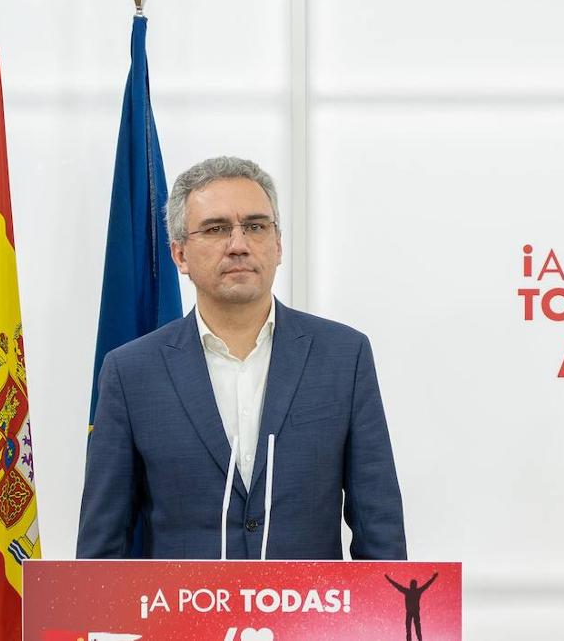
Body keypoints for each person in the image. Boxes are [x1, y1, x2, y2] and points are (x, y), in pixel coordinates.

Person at [77, 156, 406, 559]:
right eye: (216, 229)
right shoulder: (131, 372)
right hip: (177, 619)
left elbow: (380, 528)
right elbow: (102, 546)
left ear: (278, 245)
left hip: (310, 618)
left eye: (255, 226)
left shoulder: (343, 357)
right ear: (179, 254)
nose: (238, 245)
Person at [386, 572, 439, 641]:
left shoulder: (409, 591)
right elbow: (427, 584)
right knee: (414, 628)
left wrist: (389, 579)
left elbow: (397, 586)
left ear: (411, 585)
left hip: (411, 612)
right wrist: (434, 577)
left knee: (412, 629)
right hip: (413, 612)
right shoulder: (416, 591)